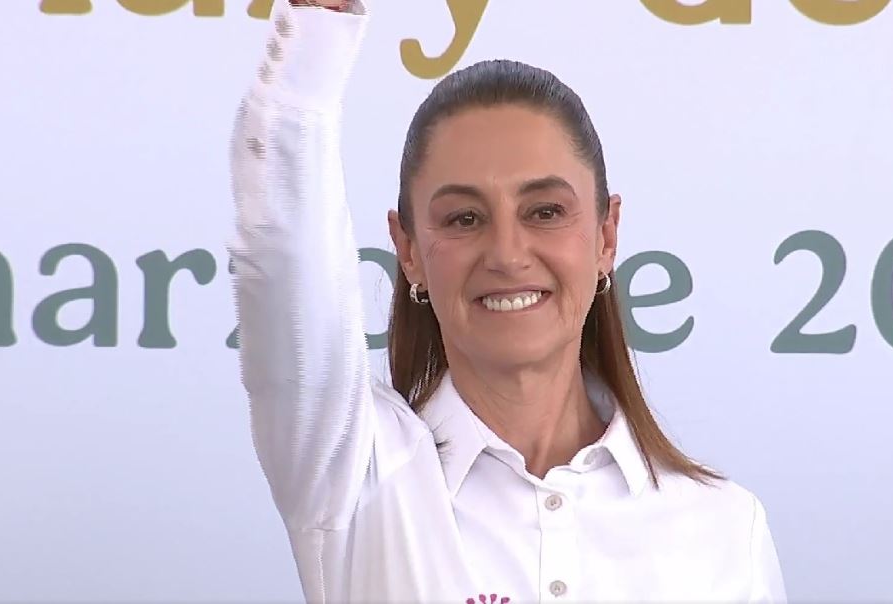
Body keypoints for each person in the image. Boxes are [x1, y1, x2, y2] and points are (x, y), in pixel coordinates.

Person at [228, 0, 787, 601]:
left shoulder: (725, 529)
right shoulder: (359, 475)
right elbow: (285, 252)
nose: (507, 254)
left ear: (606, 236)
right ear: (408, 250)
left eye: (544, 211)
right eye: (464, 218)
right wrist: (318, 25)